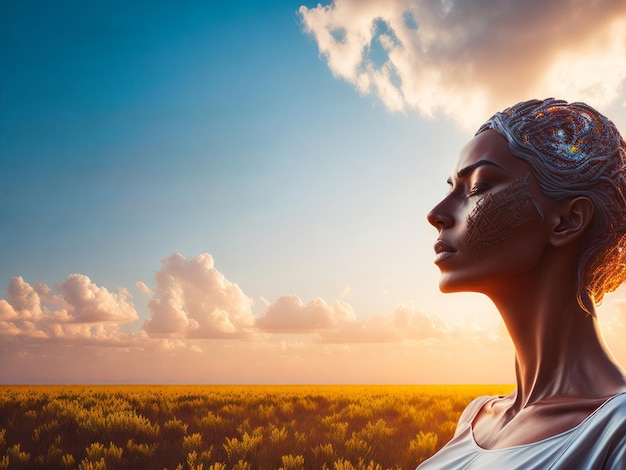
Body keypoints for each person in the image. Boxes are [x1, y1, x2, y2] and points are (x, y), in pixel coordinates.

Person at [417, 98, 626, 469]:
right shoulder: (476, 418)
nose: (437, 214)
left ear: (567, 220)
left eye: (478, 186)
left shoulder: (615, 434)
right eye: (451, 187)